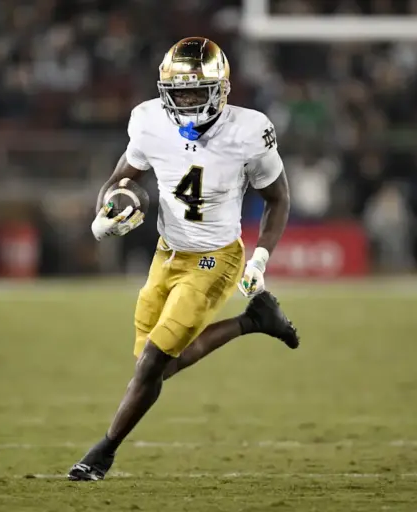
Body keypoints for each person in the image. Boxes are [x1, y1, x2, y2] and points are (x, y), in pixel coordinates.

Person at [68, 37, 300, 482]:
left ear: (221, 89)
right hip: (167, 252)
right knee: (154, 364)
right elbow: (120, 180)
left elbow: (278, 198)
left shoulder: (249, 131)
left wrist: (259, 260)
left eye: (197, 92)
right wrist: (107, 213)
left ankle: (102, 453)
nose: (188, 102)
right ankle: (254, 321)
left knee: (153, 362)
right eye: (180, 93)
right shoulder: (149, 120)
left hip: (216, 259)